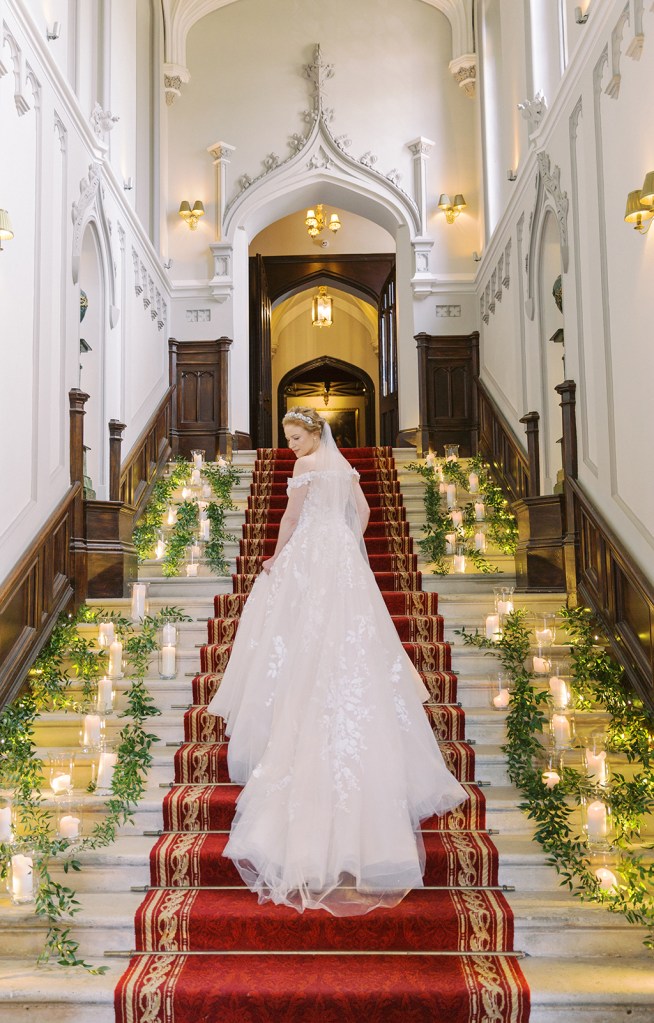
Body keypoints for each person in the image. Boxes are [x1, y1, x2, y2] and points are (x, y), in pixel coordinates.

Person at [207, 406, 468, 916]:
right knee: (344, 634)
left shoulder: (307, 470)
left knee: (308, 634)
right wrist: (346, 541)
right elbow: (365, 513)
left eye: (297, 436)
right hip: (342, 558)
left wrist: (279, 558)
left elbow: (289, 517)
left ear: (314, 432)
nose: (291, 446)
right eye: (288, 438)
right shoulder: (342, 468)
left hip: (310, 555)